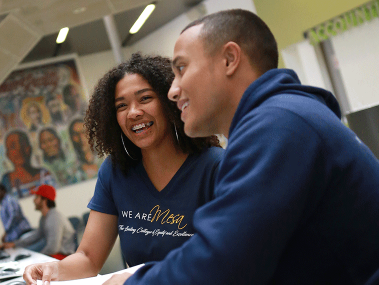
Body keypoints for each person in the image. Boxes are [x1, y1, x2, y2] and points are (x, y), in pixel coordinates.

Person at [105, 9, 379, 285]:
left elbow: (220, 263)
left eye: (182, 68)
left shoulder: (277, 127)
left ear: (229, 59)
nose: (173, 90)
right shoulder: (282, 117)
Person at [22, 53, 224, 284]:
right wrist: (52, 270)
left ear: (170, 102)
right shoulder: (115, 171)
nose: (133, 112)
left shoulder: (216, 166)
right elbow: (88, 257)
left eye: (145, 98)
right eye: (121, 106)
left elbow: (226, 258)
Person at [1, 184, 76, 260]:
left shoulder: (54, 218)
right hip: (55, 255)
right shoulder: (45, 218)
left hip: (63, 257)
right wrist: (14, 244)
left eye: (36, 197)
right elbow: (36, 236)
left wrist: (35, 258)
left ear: (44, 200)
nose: (34, 200)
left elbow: (53, 248)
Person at [1, 129, 56, 197]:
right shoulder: (6, 181)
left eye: (22, 144)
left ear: (29, 148)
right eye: (13, 146)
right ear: (7, 154)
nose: (19, 149)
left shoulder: (44, 174)